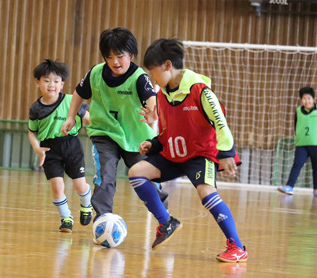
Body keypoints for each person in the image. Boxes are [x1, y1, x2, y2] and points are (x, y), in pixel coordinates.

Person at [129, 38, 246, 262]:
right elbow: (166, 133)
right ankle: (166, 223)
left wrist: (227, 152)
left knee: (206, 193)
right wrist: (153, 144)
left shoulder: (200, 90)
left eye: (153, 71)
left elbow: (220, 123)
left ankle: (237, 246)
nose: (152, 78)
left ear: (167, 65)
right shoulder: (162, 95)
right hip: (173, 155)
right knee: (136, 172)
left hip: (200, 154)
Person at [61, 27, 168, 222]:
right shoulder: (95, 73)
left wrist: (154, 113)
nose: (115, 62)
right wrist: (70, 117)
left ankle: (163, 215)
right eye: (109, 57)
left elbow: (151, 98)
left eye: (120, 56)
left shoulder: (139, 77)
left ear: (132, 55)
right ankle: (103, 218)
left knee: (144, 177)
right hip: (104, 132)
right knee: (105, 176)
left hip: (136, 137)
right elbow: (79, 93)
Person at [28, 59, 93, 233]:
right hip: (49, 148)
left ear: (62, 84)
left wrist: (93, 125)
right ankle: (66, 218)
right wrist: (37, 148)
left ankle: (86, 205)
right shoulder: (36, 109)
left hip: (71, 145)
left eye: (56, 81)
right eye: (47, 80)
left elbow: (89, 118)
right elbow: (31, 132)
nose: (51, 85)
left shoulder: (72, 101)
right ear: (38, 82)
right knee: (57, 187)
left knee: (80, 185)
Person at [279, 87, 317, 197]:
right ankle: (289, 187)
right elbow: (296, 125)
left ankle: (316, 189)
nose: (307, 101)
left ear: (313, 99)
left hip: (315, 144)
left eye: (309, 98)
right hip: (302, 145)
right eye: (304, 98)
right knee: (297, 164)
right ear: (301, 100)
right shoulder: (298, 111)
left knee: (316, 167)